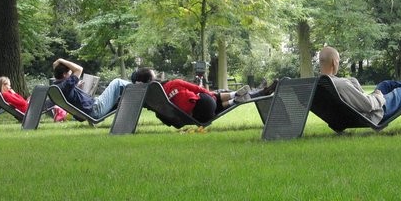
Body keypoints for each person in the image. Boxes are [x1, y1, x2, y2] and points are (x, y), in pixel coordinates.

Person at [318, 46, 401, 123]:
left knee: (386, 84)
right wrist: (378, 96)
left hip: (355, 112)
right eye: (339, 61)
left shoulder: (320, 83)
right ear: (334, 62)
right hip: (373, 113)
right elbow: (367, 105)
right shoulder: (340, 84)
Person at [131, 67, 278, 123]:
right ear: (151, 79)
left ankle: (253, 93)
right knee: (213, 96)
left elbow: (166, 120)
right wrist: (211, 95)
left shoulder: (152, 101)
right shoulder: (173, 83)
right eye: (154, 75)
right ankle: (237, 96)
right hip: (203, 105)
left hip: (192, 116)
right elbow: (198, 89)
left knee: (217, 99)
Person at [52, 58, 129, 119]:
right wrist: (60, 60)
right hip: (95, 109)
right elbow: (79, 69)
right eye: (70, 73)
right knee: (117, 82)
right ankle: (136, 88)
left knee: (121, 98)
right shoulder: (66, 85)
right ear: (64, 74)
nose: (71, 74)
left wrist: (76, 87)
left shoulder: (57, 86)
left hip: (89, 111)